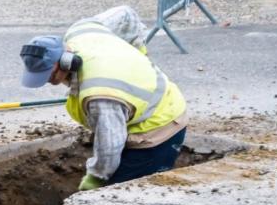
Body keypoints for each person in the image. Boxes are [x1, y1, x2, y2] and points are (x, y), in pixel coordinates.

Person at [19, 17, 188, 191]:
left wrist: (96, 178)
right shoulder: (81, 30)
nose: (47, 80)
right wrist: (138, 50)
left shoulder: (100, 94)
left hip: (159, 126)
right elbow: (123, 15)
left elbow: (110, 145)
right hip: (144, 109)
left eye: (49, 74)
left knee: (120, 195)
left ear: (66, 60)